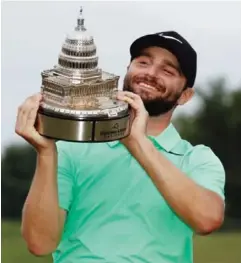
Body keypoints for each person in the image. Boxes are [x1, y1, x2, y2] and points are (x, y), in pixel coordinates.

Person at [15, 31, 225, 263]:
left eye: (168, 71)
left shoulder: (197, 158)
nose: (150, 73)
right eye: (143, 62)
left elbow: (207, 219)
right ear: (128, 70)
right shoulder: (72, 148)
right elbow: (39, 243)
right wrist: (46, 153)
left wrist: (138, 144)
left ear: (185, 96)